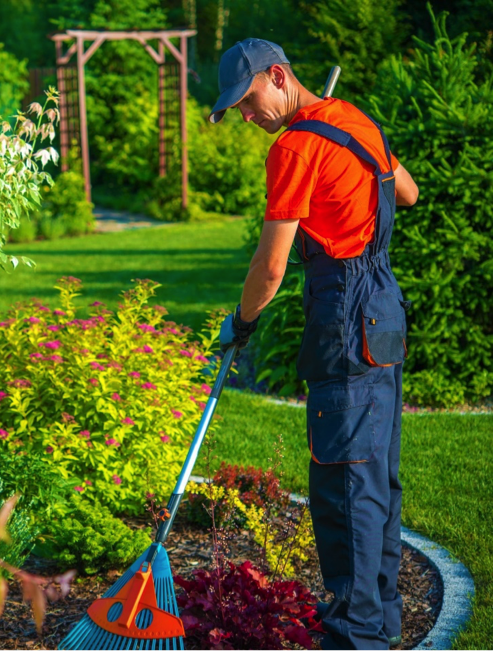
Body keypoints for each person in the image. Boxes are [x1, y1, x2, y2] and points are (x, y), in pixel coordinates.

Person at [211, 39, 419, 651]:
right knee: (375, 475)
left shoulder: (295, 147)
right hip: (382, 305)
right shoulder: (352, 119)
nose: (249, 119)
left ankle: (355, 639)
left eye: (249, 102)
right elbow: (406, 193)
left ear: (279, 76)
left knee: (344, 487)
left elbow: (271, 268)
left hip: (343, 312)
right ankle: (380, 626)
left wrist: (242, 323)